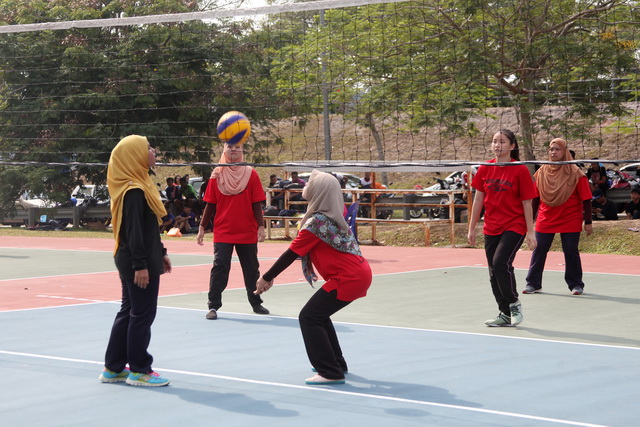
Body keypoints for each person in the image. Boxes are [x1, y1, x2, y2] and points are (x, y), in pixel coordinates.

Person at [255, 170, 372, 385]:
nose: (306, 185)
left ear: (320, 191)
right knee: (319, 315)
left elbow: (291, 253)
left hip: (348, 277)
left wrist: (266, 277)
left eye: (311, 183)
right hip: (357, 273)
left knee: (309, 317)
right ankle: (336, 363)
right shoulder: (331, 213)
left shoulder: (317, 223)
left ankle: (330, 371)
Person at [100, 135, 171, 387]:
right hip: (136, 260)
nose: (153, 151)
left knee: (129, 311)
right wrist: (140, 266)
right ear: (135, 156)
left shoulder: (138, 186)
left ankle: (113, 368)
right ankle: (140, 370)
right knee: (142, 313)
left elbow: (147, 228)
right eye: (148, 148)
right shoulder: (134, 191)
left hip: (136, 257)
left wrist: (161, 251)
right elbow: (134, 233)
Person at [468, 129, 536, 327]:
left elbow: (527, 202)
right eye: (495, 141)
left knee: (500, 263)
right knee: (493, 271)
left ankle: (514, 303)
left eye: (502, 142)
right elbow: (478, 200)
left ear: (512, 146)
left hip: (514, 225)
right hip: (491, 226)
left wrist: (530, 231)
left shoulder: (519, 169)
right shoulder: (485, 168)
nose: (497, 145)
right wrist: (471, 228)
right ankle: (504, 313)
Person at [196, 142, 268, 319]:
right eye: (230, 146)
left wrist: (261, 226)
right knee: (220, 267)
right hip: (223, 231)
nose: (233, 149)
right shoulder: (217, 174)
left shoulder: (251, 174)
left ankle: (256, 303)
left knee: (251, 269)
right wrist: (202, 227)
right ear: (224, 150)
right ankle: (213, 306)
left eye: (237, 147)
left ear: (242, 150)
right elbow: (210, 204)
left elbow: (256, 203)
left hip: (247, 231)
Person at [523, 138, 593, 296]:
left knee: (570, 250)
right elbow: (535, 198)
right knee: (539, 249)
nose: (553, 152)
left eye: (557, 149)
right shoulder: (541, 172)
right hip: (546, 218)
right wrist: (530, 222)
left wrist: (588, 221)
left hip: (570, 218)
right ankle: (533, 283)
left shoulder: (576, 173)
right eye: (551, 149)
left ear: (565, 151)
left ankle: (576, 284)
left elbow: (586, 199)